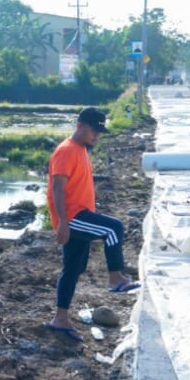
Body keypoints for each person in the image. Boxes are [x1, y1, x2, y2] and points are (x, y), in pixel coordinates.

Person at [43, 107, 139, 342]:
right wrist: (63, 223)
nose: (97, 135)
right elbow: (57, 188)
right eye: (93, 130)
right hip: (74, 217)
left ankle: (60, 318)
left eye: (99, 132)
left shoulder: (81, 149)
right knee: (113, 228)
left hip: (79, 215)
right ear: (79, 126)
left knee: (73, 269)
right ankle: (115, 278)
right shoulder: (66, 151)